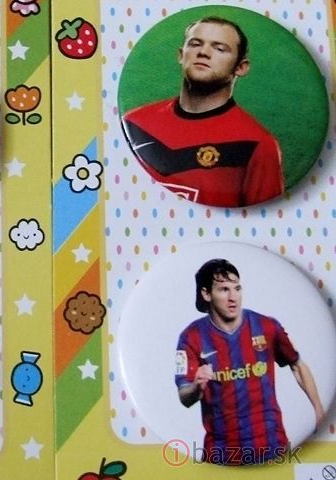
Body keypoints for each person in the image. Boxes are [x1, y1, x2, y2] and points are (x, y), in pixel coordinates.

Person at [121, 16, 284, 208]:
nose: (203, 52)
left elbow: (265, 216)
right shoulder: (134, 123)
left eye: (220, 48)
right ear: (181, 55)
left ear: (241, 67)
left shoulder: (257, 144)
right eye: (195, 44)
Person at [175, 259, 324, 465]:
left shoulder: (267, 326)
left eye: (237, 288)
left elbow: (297, 365)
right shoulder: (191, 337)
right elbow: (184, 396)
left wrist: (319, 411)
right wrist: (196, 387)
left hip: (272, 447)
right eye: (224, 289)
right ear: (206, 294)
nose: (233, 297)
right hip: (222, 454)